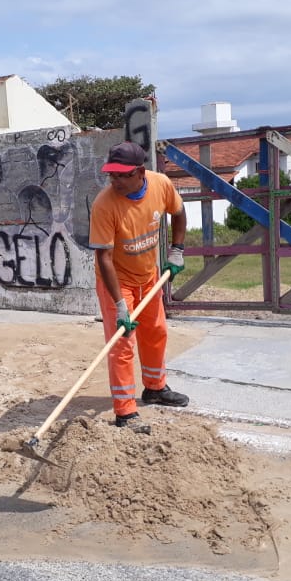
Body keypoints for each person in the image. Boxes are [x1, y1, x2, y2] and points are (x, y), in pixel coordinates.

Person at [89, 140, 189, 435]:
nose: (116, 181)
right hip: (117, 282)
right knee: (122, 343)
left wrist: (177, 251)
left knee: (156, 332)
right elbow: (103, 258)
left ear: (140, 172)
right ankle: (125, 411)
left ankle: (155, 388)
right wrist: (120, 305)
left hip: (149, 275)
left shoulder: (161, 184)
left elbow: (179, 212)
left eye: (122, 175)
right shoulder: (105, 205)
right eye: (112, 175)